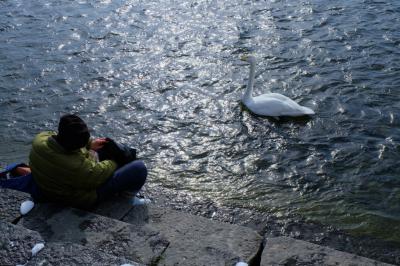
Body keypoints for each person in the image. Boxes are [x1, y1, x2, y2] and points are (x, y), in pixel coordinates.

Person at [27, 114, 148, 209]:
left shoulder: (40, 140)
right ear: (75, 146)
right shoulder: (76, 166)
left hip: (51, 184)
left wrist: (90, 144)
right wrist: (116, 161)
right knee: (138, 168)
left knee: (104, 148)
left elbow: (56, 138)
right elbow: (99, 172)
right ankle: (127, 199)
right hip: (79, 199)